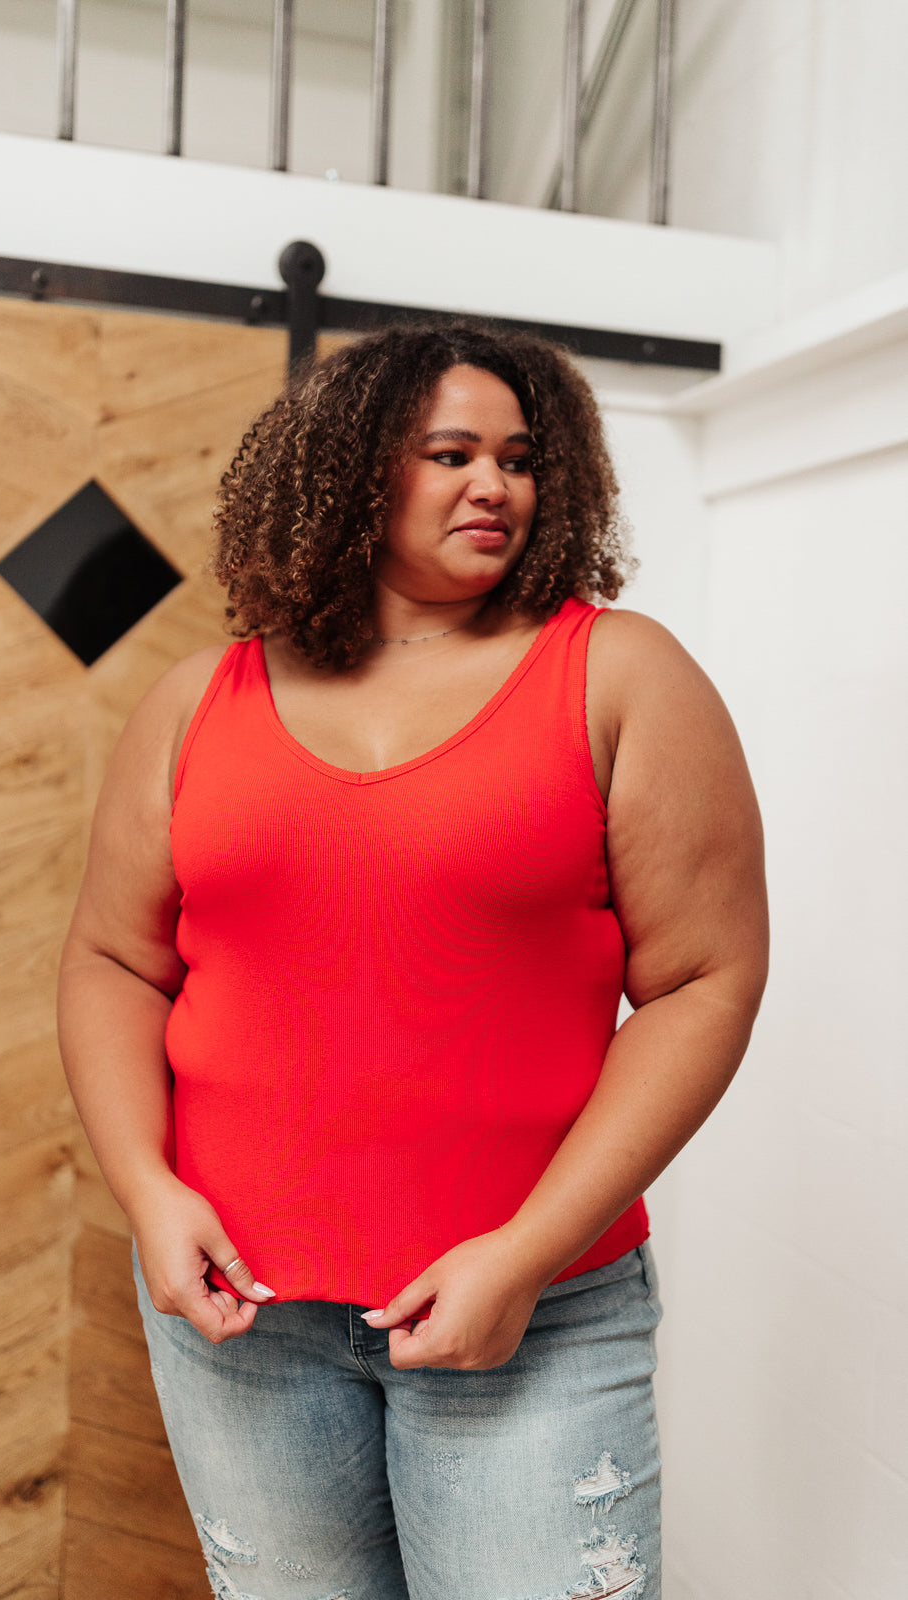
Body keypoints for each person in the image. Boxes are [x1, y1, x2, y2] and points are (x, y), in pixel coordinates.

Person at [57, 321, 767, 1600]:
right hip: (241, 1321)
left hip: (531, 1316)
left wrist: (529, 1251)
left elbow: (703, 982)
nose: (493, 483)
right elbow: (113, 960)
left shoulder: (617, 675)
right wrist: (148, 1195)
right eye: (449, 453)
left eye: (517, 456)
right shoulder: (193, 702)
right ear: (347, 470)